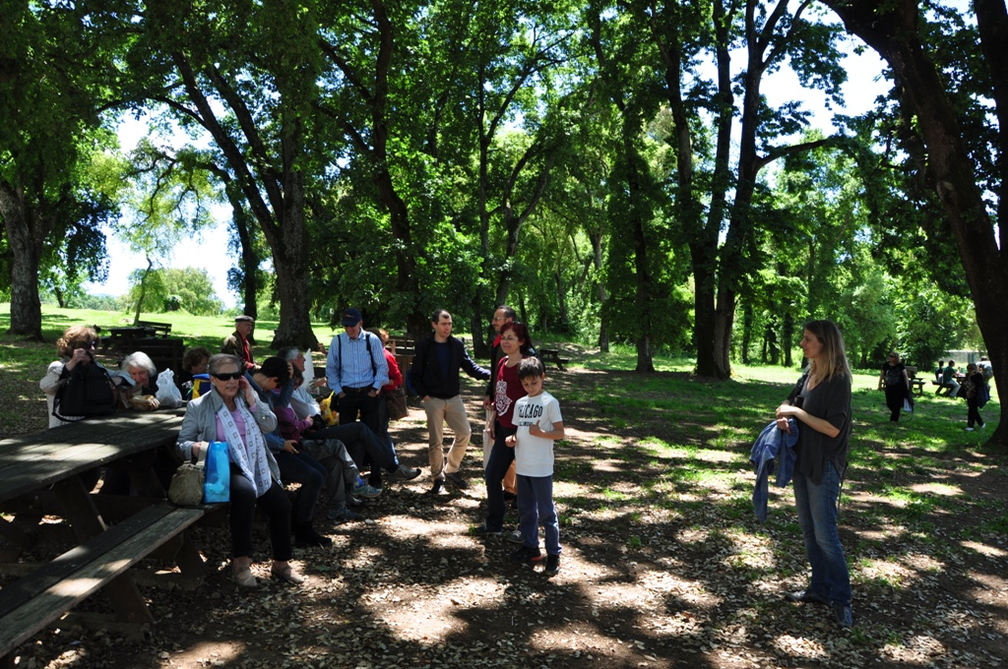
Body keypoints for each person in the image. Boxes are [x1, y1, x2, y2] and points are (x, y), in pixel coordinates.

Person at [176, 353, 303, 587]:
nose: (231, 381)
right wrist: (197, 447)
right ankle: (241, 562)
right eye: (225, 376)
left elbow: (270, 425)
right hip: (222, 466)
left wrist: (252, 399)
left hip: (255, 462)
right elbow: (181, 444)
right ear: (213, 379)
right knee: (245, 493)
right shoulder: (199, 406)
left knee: (281, 504)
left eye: (236, 375)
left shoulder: (247, 398)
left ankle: (281, 563)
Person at [775, 320, 854, 629]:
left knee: (826, 534)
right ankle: (819, 589)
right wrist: (784, 414)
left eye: (807, 339)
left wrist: (797, 413)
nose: (802, 344)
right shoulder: (808, 375)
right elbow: (787, 403)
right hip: (802, 461)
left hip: (824, 464)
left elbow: (832, 428)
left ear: (824, 343)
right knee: (809, 531)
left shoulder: (838, 381)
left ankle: (842, 599)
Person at [247, 357, 332, 548]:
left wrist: (291, 379)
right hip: (267, 453)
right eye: (279, 384)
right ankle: (301, 528)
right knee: (314, 477)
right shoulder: (249, 392)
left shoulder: (263, 389)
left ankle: (299, 520)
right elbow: (251, 431)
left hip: (279, 446)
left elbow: (280, 403)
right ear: (273, 380)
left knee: (321, 471)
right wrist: (280, 443)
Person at [410, 309, 490, 495]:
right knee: (436, 442)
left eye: (450, 324)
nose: (448, 327)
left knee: (465, 433)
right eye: (444, 324)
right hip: (433, 399)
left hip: (454, 398)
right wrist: (425, 396)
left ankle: (451, 470)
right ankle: (437, 478)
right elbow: (415, 375)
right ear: (434, 325)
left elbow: (470, 367)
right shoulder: (424, 346)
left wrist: (491, 374)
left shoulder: (456, 345)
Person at [507, 357, 565, 576]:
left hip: (541, 467)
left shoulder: (550, 402)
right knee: (526, 510)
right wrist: (511, 439)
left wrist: (542, 434)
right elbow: (519, 430)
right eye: (525, 384)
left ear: (543, 378)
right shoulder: (520, 403)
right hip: (523, 465)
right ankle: (531, 548)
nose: (530, 387)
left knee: (547, 512)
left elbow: (560, 433)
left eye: (534, 382)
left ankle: (553, 554)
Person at [480, 321, 535, 536]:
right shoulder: (502, 362)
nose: (506, 342)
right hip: (503, 430)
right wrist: (493, 418)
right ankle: (495, 525)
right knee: (492, 476)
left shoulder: (527, 365)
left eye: (511, 338)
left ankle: (526, 528)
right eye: (503, 338)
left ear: (521, 341)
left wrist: (523, 431)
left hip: (523, 433)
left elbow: (535, 400)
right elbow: (500, 396)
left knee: (526, 482)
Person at [39, 325, 106, 428]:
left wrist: (119, 380)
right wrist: (73, 363)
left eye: (94, 345)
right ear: (74, 347)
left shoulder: (95, 366)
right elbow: (46, 386)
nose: (92, 349)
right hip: (63, 426)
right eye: (88, 345)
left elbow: (118, 375)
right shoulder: (58, 366)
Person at [367, 328, 405, 465]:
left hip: (384, 398)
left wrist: (379, 382)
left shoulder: (386, 356)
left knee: (381, 431)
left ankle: (393, 463)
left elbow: (397, 379)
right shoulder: (368, 355)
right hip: (372, 399)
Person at [877, 352, 910, 422]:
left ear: (896, 358)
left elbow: (905, 376)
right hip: (889, 386)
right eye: (890, 356)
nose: (890, 357)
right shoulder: (886, 365)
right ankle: (895, 413)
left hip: (899, 387)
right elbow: (882, 375)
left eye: (892, 356)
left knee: (897, 403)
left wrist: (907, 386)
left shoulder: (900, 365)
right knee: (889, 402)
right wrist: (879, 385)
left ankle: (894, 419)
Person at [964, 362, 986, 431]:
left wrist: (972, 375)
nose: (969, 370)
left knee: (972, 410)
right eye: (968, 369)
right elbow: (965, 382)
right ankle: (981, 423)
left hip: (975, 395)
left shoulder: (978, 375)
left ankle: (971, 425)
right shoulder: (968, 375)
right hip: (969, 395)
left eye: (970, 369)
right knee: (973, 409)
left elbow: (978, 384)